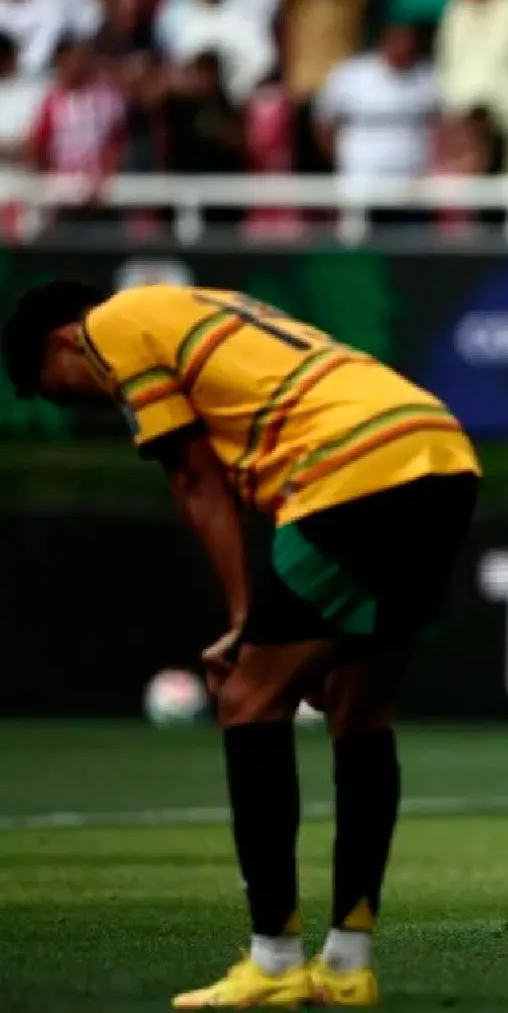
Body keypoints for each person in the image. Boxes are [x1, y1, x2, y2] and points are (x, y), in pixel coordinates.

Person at [0, 282, 481, 1005]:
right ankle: (348, 966)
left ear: (62, 343)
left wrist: (242, 620)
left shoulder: (110, 328)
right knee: (360, 710)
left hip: (353, 469)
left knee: (249, 700)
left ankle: (275, 960)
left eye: (60, 390)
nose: (79, 403)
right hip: (439, 451)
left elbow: (195, 480)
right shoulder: (202, 304)